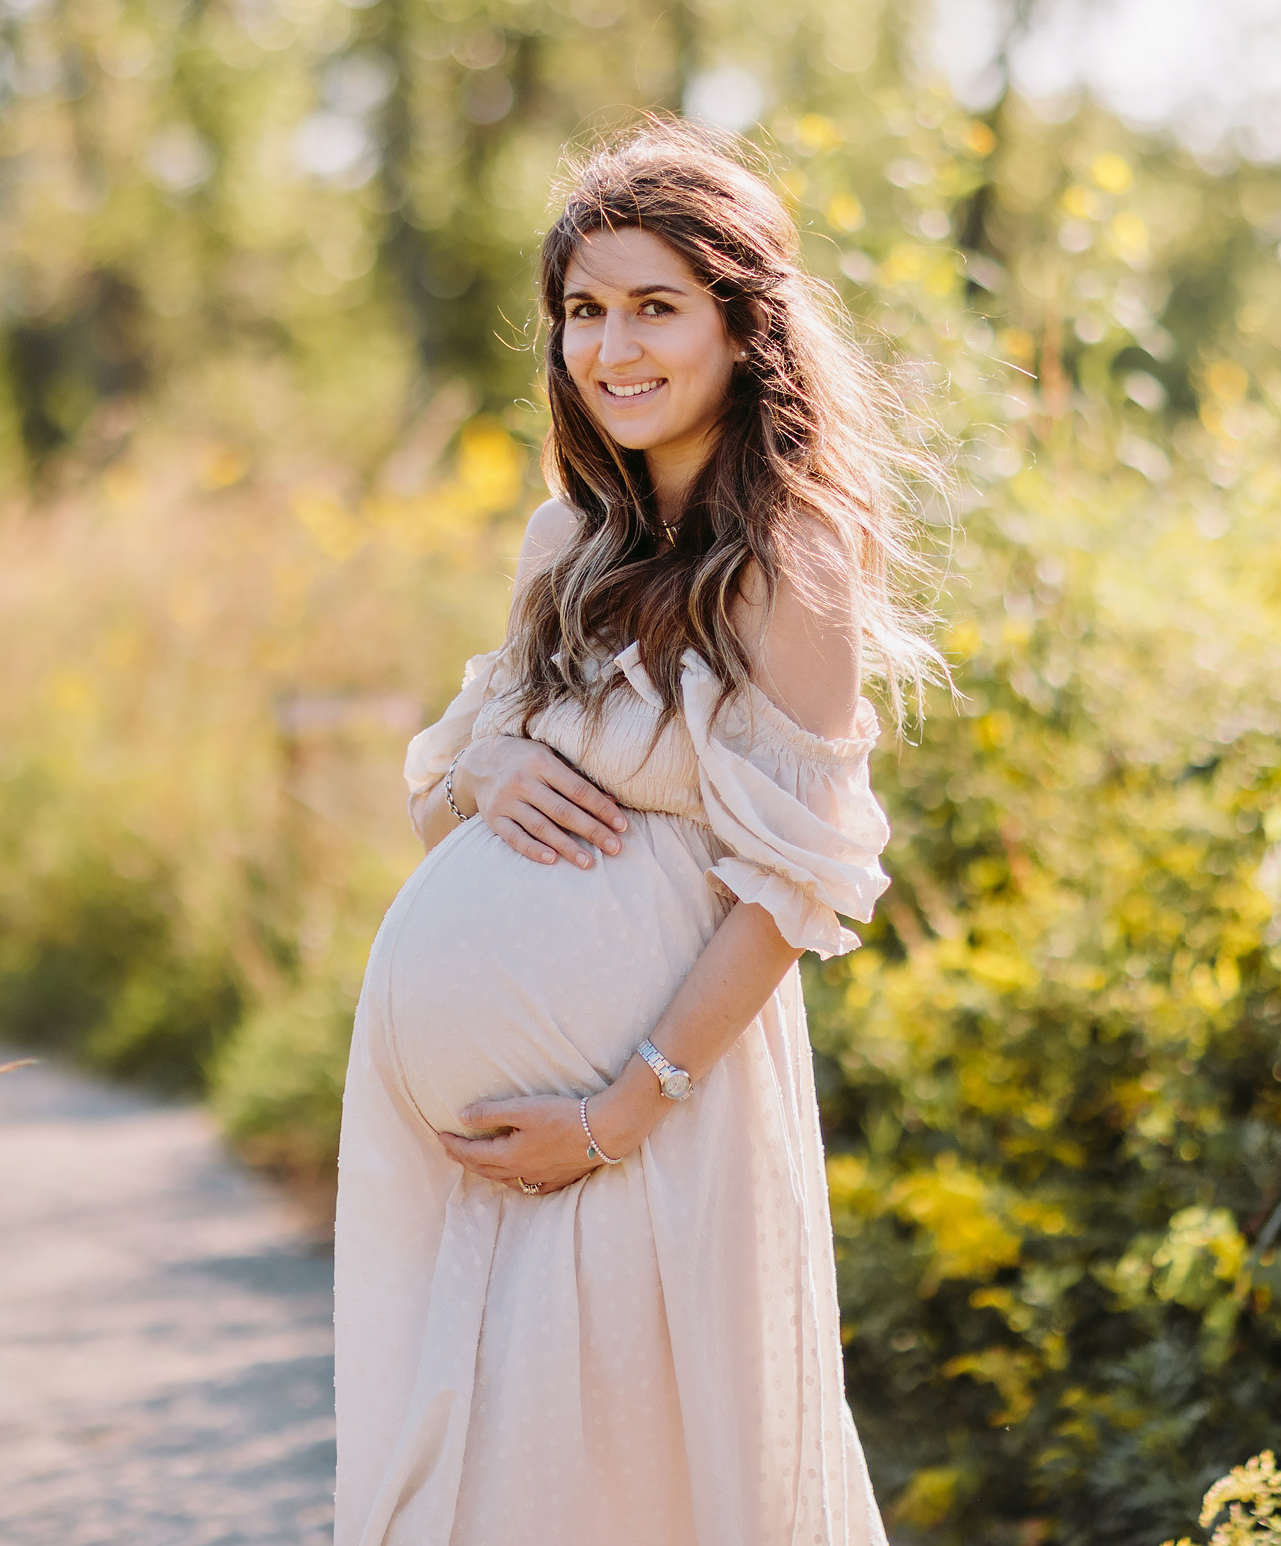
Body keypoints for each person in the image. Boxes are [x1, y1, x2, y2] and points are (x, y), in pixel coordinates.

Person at [332, 119, 943, 1546]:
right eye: (583, 312)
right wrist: (487, 775)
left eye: (655, 306)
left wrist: (615, 1116)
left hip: (654, 1115)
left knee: (633, 1478)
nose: (612, 348)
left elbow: (794, 896)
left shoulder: (793, 563)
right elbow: (448, 790)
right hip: (491, 1149)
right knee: (491, 1484)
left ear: (746, 324)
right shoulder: (569, 545)